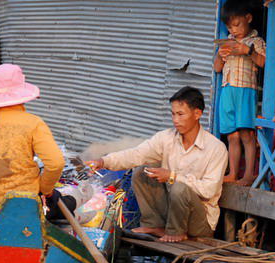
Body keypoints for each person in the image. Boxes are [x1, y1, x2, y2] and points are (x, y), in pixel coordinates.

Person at [87, 87, 227, 243]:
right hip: (172, 213)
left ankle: (176, 233)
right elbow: (136, 154)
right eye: (173, 114)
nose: (175, 120)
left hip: (200, 223)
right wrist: (104, 161)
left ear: (197, 114)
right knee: (142, 172)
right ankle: (154, 225)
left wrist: (172, 177)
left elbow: (209, 190)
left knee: (179, 187)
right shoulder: (166, 138)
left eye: (181, 114)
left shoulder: (216, 148)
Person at [0, 64, 72, 218]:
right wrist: (45, 189)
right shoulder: (32, 123)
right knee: (71, 202)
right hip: (23, 207)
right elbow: (56, 163)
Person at [213, 0, 266, 186]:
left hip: (245, 90)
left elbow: (264, 62)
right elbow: (217, 69)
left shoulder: (256, 41)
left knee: (246, 133)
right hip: (227, 90)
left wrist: (247, 51)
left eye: (237, 25)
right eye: (230, 26)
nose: (234, 30)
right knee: (231, 135)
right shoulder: (227, 41)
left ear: (248, 18)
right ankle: (233, 173)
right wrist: (220, 55)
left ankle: (249, 175)